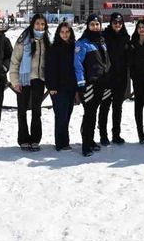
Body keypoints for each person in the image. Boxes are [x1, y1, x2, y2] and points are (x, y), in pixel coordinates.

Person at [9, 14, 51, 151]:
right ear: (33, 24)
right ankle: (23, 139)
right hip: (24, 80)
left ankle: (35, 139)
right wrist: (15, 81)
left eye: (42, 24)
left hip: (39, 80)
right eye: (37, 23)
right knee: (22, 111)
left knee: (36, 111)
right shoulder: (23, 40)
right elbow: (15, 61)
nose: (40, 26)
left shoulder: (46, 40)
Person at [74, 14, 111, 157]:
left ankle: (91, 140)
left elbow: (106, 62)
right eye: (92, 24)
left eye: (97, 24)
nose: (95, 27)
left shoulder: (102, 42)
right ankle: (86, 145)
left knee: (94, 113)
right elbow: (77, 65)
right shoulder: (82, 43)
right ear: (88, 26)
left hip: (102, 83)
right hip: (89, 84)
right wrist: (81, 83)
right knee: (89, 114)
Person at [45, 22, 78, 151]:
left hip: (71, 87)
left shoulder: (74, 47)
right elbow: (49, 69)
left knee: (67, 115)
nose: (65, 34)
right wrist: (51, 86)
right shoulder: (54, 48)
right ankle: (61, 143)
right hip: (57, 88)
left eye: (67, 32)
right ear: (58, 33)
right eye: (62, 32)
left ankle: (65, 141)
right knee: (61, 116)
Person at [99, 13, 129, 145]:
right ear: (111, 23)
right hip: (107, 78)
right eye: (115, 22)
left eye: (120, 23)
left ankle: (116, 134)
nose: (117, 25)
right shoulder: (104, 37)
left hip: (121, 77)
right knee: (105, 106)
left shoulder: (125, 37)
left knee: (118, 107)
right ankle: (103, 135)